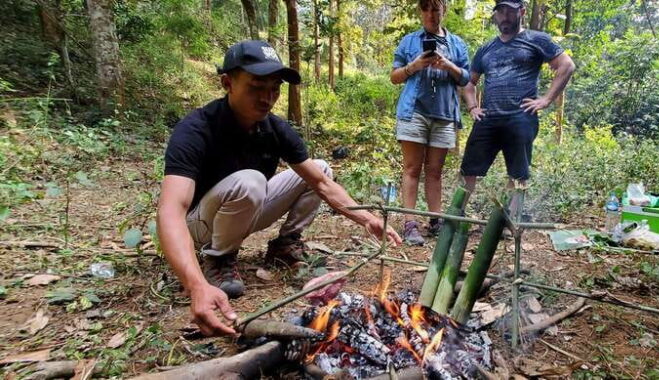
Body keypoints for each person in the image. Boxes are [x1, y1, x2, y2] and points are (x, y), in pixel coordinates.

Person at [157, 40, 402, 336]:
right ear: (227, 83)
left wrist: (368, 219)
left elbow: (321, 184)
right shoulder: (197, 128)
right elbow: (171, 210)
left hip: (243, 210)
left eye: (274, 89)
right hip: (199, 224)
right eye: (256, 87)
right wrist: (195, 285)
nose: (267, 98)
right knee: (251, 181)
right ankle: (219, 258)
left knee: (320, 169)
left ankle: (285, 245)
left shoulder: (273, 128)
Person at [460, 0, 575, 214]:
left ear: (521, 11)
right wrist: (473, 106)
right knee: (468, 169)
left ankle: (510, 221)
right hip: (488, 118)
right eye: (500, 12)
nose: (504, 17)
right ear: (495, 15)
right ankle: (456, 216)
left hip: (521, 117)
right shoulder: (486, 48)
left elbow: (566, 66)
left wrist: (546, 99)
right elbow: (469, 82)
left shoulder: (536, 39)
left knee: (518, 174)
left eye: (510, 12)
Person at [390, 0, 470, 246]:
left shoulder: (457, 44)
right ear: (420, 12)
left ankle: (435, 220)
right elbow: (394, 77)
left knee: (435, 171)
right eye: (425, 9)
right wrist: (413, 67)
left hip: (444, 114)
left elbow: (466, 78)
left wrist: (448, 65)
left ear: (444, 10)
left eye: (435, 9)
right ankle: (410, 223)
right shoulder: (409, 41)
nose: (430, 14)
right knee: (412, 169)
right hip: (414, 111)